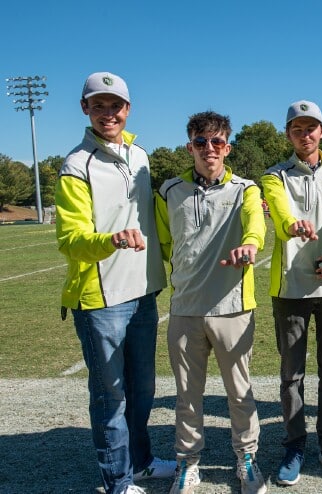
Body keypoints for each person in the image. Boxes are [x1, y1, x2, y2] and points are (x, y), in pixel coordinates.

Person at [55, 71, 175, 494]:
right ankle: (117, 481)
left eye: (116, 105)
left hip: (143, 292)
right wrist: (110, 240)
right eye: (99, 104)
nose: (109, 113)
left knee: (143, 392)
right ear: (85, 108)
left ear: (128, 109)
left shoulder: (140, 155)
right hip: (100, 298)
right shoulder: (76, 165)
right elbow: (69, 239)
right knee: (111, 398)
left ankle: (140, 464)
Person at [154, 111, 267, 494]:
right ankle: (188, 463)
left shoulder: (245, 189)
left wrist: (250, 244)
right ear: (190, 147)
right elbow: (165, 245)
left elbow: (256, 224)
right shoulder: (169, 190)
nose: (209, 149)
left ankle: (246, 458)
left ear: (227, 147)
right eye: (201, 142)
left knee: (240, 392)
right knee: (188, 397)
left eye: (217, 142)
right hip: (185, 309)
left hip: (232, 308)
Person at [261, 100, 322, 485]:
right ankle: (295, 444)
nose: (305, 135)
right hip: (291, 288)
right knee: (291, 375)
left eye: (311, 128)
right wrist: (293, 226)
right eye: (297, 129)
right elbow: (281, 214)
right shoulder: (274, 176)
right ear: (288, 134)